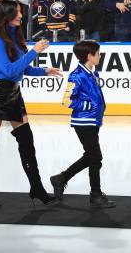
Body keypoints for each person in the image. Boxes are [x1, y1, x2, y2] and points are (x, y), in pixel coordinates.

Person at [0, 0, 62, 210]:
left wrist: (43, 71)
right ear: (7, 15)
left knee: (26, 141)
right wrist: (35, 52)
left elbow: (19, 69)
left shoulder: (13, 35)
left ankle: (37, 189)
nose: (22, 16)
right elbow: (9, 70)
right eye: (18, 13)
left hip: (13, 93)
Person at [50, 40, 115, 209]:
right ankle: (95, 194)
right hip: (83, 122)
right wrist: (89, 106)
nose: (100, 56)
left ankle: (61, 178)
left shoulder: (92, 73)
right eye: (98, 53)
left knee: (92, 156)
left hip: (92, 121)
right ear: (90, 56)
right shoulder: (77, 75)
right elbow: (67, 101)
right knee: (95, 157)